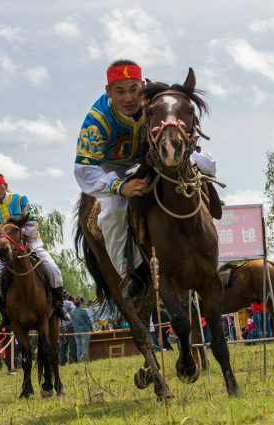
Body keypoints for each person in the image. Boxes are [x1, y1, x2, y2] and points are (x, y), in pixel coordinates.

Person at [74, 60, 216, 297]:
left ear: (141, 87)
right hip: (114, 168)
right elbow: (83, 170)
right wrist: (120, 187)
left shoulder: (154, 102)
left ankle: (205, 240)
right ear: (108, 91)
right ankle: (133, 272)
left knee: (209, 166)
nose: (129, 98)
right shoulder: (96, 121)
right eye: (120, 91)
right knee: (113, 212)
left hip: (151, 157)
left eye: (133, 90)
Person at [0, 174, 71, 327]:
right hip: (5, 250)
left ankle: (59, 306)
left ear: (6, 185)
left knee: (53, 269)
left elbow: (32, 223)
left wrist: (18, 236)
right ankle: (5, 314)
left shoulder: (20, 199)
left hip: (30, 244)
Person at [70, 298, 94, 362]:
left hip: (76, 331)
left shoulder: (72, 312)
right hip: (85, 330)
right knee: (84, 348)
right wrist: (92, 329)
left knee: (79, 348)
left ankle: (79, 362)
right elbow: (88, 321)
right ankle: (86, 362)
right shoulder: (83, 310)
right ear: (81, 303)